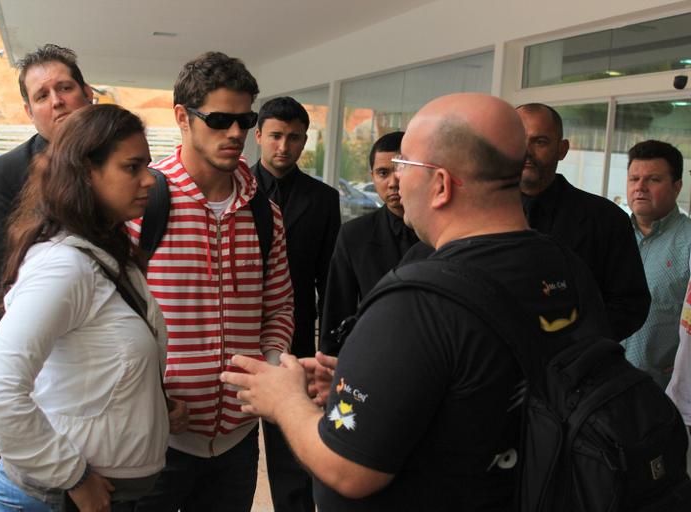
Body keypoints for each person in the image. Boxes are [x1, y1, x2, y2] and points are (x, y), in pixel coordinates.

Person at [221, 93, 607, 510]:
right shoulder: (567, 268)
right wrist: (378, 384)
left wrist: (284, 400)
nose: (396, 181)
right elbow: (481, 393)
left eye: (404, 165)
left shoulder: (418, 300)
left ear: (440, 184)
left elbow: (347, 469)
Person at [0, 104, 185, 512]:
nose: (150, 182)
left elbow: (92, 369)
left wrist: (150, 408)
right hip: (57, 500)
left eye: (148, 167)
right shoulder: (63, 267)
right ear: (88, 172)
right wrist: (74, 476)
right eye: (132, 168)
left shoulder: (104, 254)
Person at [130, 52, 295, 512]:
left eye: (246, 120)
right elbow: (110, 321)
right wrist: (152, 397)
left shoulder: (266, 211)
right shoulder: (143, 202)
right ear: (182, 116)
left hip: (238, 443)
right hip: (157, 441)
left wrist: (269, 369)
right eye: (220, 119)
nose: (237, 134)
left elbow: (279, 306)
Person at [0, 44, 94, 349]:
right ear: (29, 112)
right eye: (42, 96)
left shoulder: (116, 167)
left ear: (87, 93)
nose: (57, 102)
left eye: (65, 88)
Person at [252, 96, 340, 512]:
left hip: (299, 334)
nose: (283, 146)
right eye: (275, 136)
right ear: (258, 137)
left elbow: (329, 276)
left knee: (291, 445)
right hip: (237, 328)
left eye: (293, 138)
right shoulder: (236, 191)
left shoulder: (323, 199)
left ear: (305, 141)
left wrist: (329, 346)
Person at [516, 103, 649, 341]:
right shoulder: (477, 212)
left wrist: (574, 344)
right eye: (518, 139)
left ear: (562, 149)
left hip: (575, 366)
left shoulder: (606, 219)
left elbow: (630, 305)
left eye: (540, 142)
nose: (527, 150)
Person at [319, 131, 418, 355]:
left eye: (401, 170)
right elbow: (337, 310)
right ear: (371, 176)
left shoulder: (443, 230)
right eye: (383, 173)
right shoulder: (354, 234)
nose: (393, 182)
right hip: (372, 354)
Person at [620, 140, 691, 389]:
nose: (640, 187)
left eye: (653, 180)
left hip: (659, 393)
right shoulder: (611, 235)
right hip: (599, 390)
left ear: (677, 187)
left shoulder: (688, 243)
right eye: (634, 179)